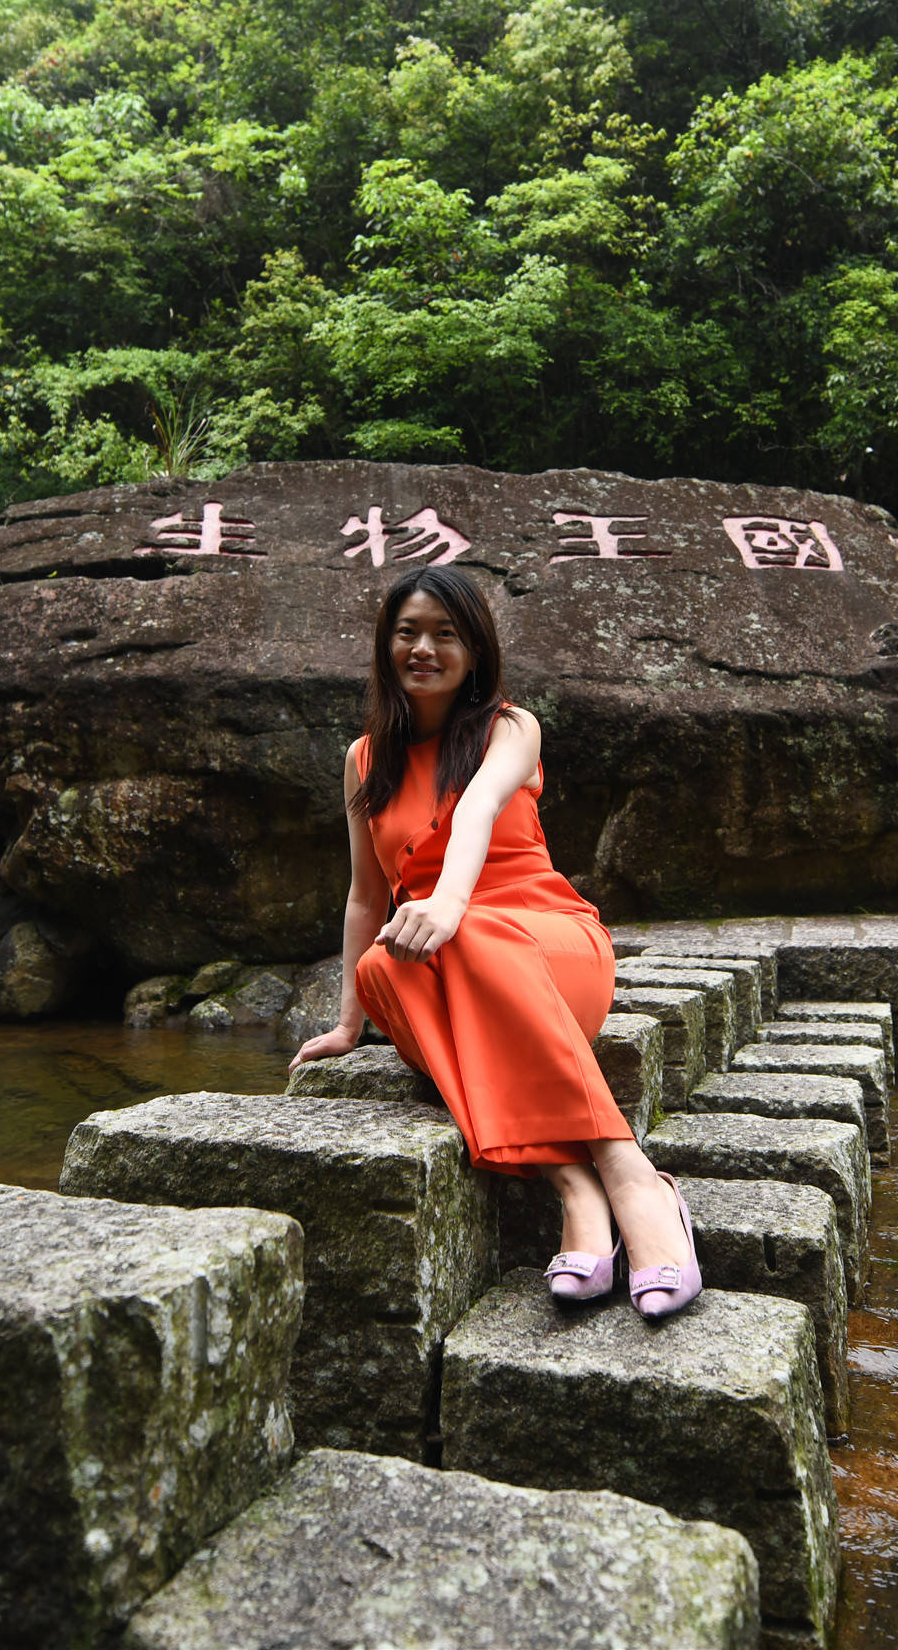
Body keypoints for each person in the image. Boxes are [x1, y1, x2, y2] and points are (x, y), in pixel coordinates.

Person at [289, 564, 701, 1319]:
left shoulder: (510, 727)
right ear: (385, 646)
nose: (424, 648)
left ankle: (628, 1174)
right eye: (408, 632)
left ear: (474, 651)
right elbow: (364, 894)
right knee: (387, 961)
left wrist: (449, 902)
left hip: (550, 948)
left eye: (445, 634)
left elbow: (476, 811)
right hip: (451, 963)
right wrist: (349, 1023)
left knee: (463, 931)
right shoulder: (362, 759)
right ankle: (575, 1184)